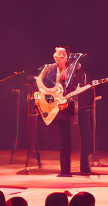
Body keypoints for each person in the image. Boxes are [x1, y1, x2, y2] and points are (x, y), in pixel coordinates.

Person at [38, 46, 94, 177]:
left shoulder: (76, 67)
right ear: (54, 56)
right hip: (61, 105)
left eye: (64, 53)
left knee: (85, 136)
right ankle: (65, 170)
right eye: (59, 53)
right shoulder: (49, 68)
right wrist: (51, 92)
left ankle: (84, 168)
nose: (62, 54)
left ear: (67, 56)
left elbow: (77, 84)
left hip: (78, 103)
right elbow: (40, 82)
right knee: (64, 137)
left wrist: (66, 96)